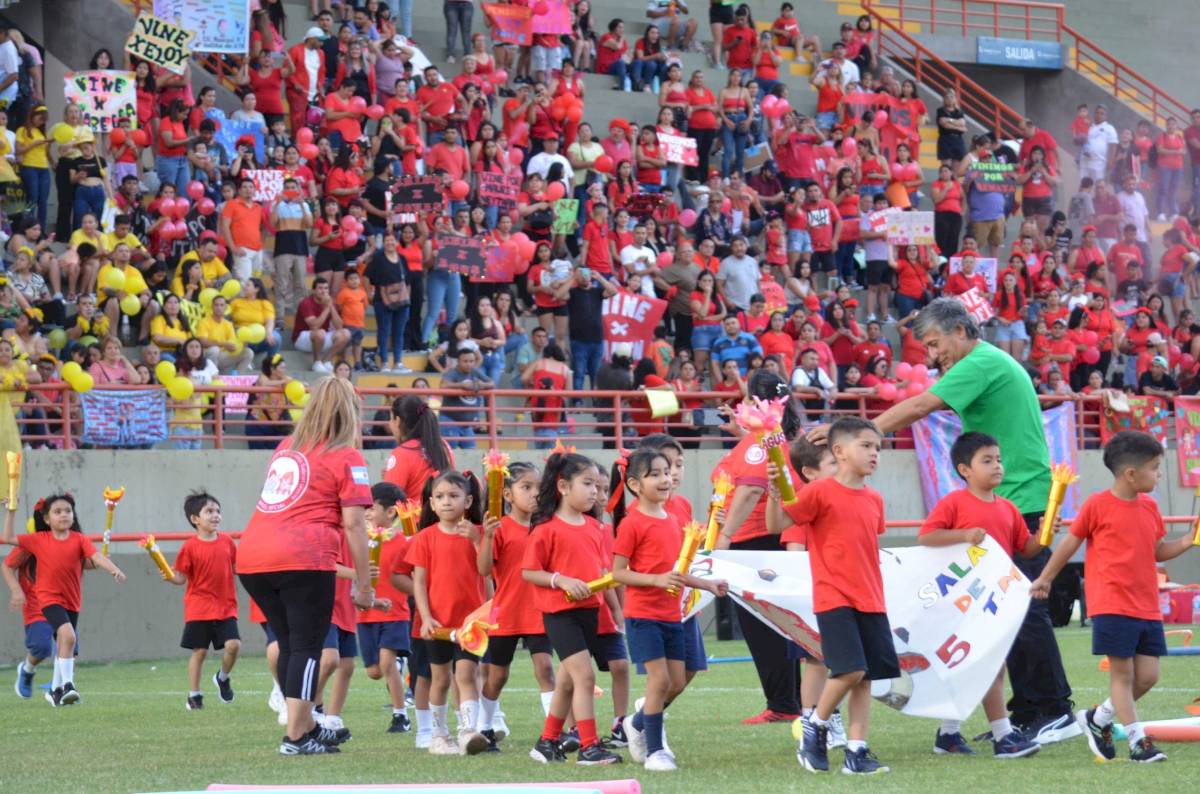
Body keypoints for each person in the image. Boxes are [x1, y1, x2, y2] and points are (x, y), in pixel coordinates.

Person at [816, 298, 1077, 744]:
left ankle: (1053, 709)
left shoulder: (980, 362)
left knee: (1019, 608)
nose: (933, 356)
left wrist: (860, 434)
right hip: (1013, 495)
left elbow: (920, 406)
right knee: (1002, 610)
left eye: (936, 344)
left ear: (961, 331)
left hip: (1019, 497)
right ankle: (1026, 712)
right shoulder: (989, 362)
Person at [1031, 430, 1197, 764]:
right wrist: (1045, 578)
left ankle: (1099, 718)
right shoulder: (1096, 505)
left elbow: (1156, 551)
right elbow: (1069, 544)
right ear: (1131, 474)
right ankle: (1138, 743)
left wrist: (1190, 540)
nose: (1159, 474)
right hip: (1112, 603)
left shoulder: (1150, 507)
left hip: (1146, 604)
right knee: (1123, 676)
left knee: (1149, 676)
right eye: (1155, 467)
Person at [235, 377, 374, 756]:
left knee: (291, 644)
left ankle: (308, 726)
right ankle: (296, 736)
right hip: (303, 557)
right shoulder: (347, 456)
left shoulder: (285, 448)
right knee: (309, 647)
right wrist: (363, 584)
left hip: (252, 556)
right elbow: (354, 523)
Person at [917, 432, 1048, 758]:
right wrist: (963, 534)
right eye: (987, 460)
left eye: (998, 459)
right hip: (963, 598)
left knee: (989, 665)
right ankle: (1003, 736)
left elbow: (1027, 548)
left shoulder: (1007, 507)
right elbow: (927, 536)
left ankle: (947, 734)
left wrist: (1046, 534)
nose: (997, 466)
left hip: (995, 597)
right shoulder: (954, 502)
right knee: (987, 662)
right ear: (965, 469)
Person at [783, 417, 896, 775]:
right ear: (839, 451)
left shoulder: (875, 499)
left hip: (871, 598)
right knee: (850, 669)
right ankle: (815, 725)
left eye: (877, 447)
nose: (874, 454)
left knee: (866, 678)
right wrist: (776, 493)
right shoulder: (818, 492)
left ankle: (857, 751)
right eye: (865, 446)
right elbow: (780, 523)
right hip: (834, 597)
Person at [612, 449, 727, 771]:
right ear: (635, 484)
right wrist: (655, 580)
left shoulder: (675, 520)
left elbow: (677, 570)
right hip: (643, 616)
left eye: (667, 472)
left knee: (676, 682)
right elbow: (617, 572)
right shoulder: (632, 523)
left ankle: (636, 723)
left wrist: (708, 584)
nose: (665, 479)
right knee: (659, 681)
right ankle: (654, 752)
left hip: (672, 615)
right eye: (655, 474)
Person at [521, 452, 623, 765]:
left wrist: (615, 608)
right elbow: (529, 571)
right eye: (588, 483)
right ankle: (589, 746)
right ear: (563, 486)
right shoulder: (545, 529)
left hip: (588, 612)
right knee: (585, 678)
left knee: (567, 681)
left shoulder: (595, 527)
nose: (595, 491)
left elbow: (603, 573)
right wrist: (560, 580)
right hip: (559, 614)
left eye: (598, 485)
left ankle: (547, 742)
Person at [1, 492, 126, 706]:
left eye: (68, 511)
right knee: (67, 635)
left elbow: (94, 558)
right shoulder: (39, 540)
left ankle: (56, 691)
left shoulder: (79, 540)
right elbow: (9, 537)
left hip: (72, 600)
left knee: (67, 644)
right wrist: (11, 511)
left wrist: (112, 568)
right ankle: (68, 686)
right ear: (47, 519)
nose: (64, 515)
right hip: (48, 599)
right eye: (57, 512)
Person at [406, 469, 489, 755]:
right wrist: (425, 616)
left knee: (466, 673)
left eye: (453, 496)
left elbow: (486, 571)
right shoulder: (425, 538)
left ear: (467, 501)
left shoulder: (475, 534)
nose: (446, 502)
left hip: (471, 623)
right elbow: (418, 581)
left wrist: (478, 540)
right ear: (430, 503)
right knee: (439, 678)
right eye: (439, 497)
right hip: (437, 623)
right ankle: (438, 735)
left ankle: (467, 730)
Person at [475, 461, 556, 745]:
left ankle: (553, 734)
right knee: (497, 676)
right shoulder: (500, 528)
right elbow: (484, 569)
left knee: (545, 668)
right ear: (508, 495)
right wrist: (486, 536)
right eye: (526, 487)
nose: (536, 494)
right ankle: (484, 727)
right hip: (506, 613)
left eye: (539, 488)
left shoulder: (546, 527)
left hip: (539, 610)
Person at [157, 491, 240, 711]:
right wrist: (169, 576)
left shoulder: (228, 542)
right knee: (200, 651)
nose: (215, 515)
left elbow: (237, 568)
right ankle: (194, 695)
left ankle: (223, 678)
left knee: (233, 645)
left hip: (226, 605)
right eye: (209, 511)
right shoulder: (189, 547)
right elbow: (180, 578)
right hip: (199, 607)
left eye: (217, 511)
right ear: (195, 519)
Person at [356, 481, 413, 734]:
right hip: (365, 614)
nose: (366, 512)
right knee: (374, 672)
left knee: (387, 664)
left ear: (390, 512)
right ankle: (395, 667)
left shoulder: (404, 542)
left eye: (371, 507)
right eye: (364, 507)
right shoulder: (359, 542)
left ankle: (401, 716)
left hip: (395, 613)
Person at [293, 277, 352, 373]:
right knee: (320, 332)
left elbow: (339, 326)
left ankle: (326, 361)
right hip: (302, 339)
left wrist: (331, 306)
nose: (323, 291)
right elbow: (314, 326)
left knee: (346, 333)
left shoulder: (330, 302)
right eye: (320, 288)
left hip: (322, 337)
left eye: (326, 288)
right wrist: (327, 308)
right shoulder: (306, 303)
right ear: (313, 290)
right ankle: (316, 362)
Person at [440, 342, 493, 449]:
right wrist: (462, 385)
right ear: (458, 362)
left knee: (472, 453)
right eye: (465, 361)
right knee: (449, 453)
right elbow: (443, 385)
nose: (469, 364)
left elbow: (492, 383)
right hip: (450, 420)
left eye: (471, 361)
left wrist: (482, 385)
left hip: (466, 424)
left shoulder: (475, 371)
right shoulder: (452, 372)